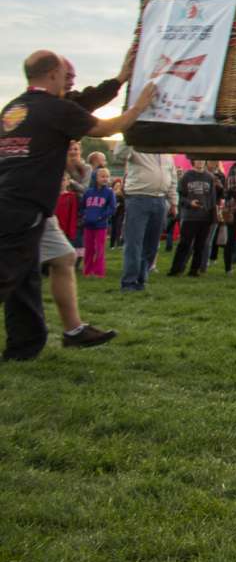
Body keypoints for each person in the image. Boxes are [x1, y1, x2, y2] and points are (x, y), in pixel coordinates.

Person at [1, 51, 153, 359]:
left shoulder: (14, 109)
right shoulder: (54, 109)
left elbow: (78, 104)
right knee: (7, 276)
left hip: (20, 204)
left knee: (50, 264)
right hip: (23, 206)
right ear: (53, 74)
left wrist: (120, 79)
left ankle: (30, 345)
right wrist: (141, 104)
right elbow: (108, 128)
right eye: (65, 76)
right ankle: (51, 337)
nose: (69, 84)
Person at [119, 148, 175, 292]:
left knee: (151, 245)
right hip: (138, 197)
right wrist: (128, 134)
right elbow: (119, 154)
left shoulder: (166, 152)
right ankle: (129, 282)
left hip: (160, 199)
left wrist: (174, 201)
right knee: (134, 243)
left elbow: (172, 176)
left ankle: (141, 279)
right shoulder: (136, 147)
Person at [167, 166, 219, 277]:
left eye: (202, 160)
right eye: (198, 159)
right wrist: (189, 203)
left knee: (200, 246)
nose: (200, 162)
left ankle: (194, 270)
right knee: (184, 244)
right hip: (189, 216)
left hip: (205, 217)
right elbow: (179, 196)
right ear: (193, 161)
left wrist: (212, 214)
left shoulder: (209, 177)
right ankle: (176, 270)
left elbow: (213, 198)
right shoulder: (187, 176)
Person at [79, 166, 116, 277]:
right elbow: (82, 206)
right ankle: (87, 270)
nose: (105, 179)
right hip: (88, 225)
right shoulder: (88, 192)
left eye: (107, 177)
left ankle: (99, 271)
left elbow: (112, 208)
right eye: (102, 176)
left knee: (99, 248)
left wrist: (102, 217)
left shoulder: (109, 193)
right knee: (89, 248)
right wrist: (85, 215)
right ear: (96, 178)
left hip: (101, 225)